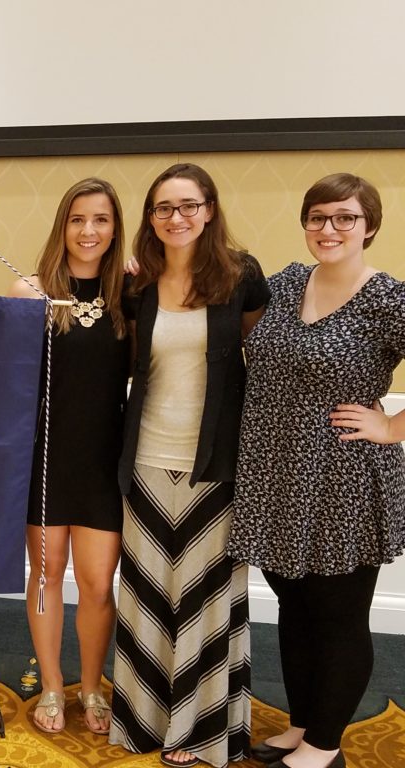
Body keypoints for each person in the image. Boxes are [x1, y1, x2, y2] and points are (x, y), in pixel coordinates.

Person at [228, 173, 404, 768]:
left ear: (369, 227)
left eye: (345, 218)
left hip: (344, 481)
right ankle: (301, 726)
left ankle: (326, 747)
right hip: (275, 474)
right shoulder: (283, 284)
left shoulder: (387, 299)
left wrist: (390, 426)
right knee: (295, 607)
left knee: (338, 616)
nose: (328, 229)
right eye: (318, 217)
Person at [110, 163, 268, 768]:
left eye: (187, 205)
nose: (176, 218)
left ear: (209, 208)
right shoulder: (135, 284)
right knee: (147, 593)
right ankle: (144, 723)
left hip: (216, 464)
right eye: (162, 208)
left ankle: (200, 731)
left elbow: (259, 357)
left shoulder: (241, 276)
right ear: (150, 217)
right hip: (145, 459)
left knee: (207, 597)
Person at [9, 178, 129, 736]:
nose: (88, 231)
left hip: (106, 460)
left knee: (100, 584)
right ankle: (53, 685)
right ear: (63, 226)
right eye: (78, 219)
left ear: (115, 228)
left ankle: (90, 686)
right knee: (47, 574)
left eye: (101, 220)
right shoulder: (30, 291)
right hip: (45, 458)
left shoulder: (134, 293)